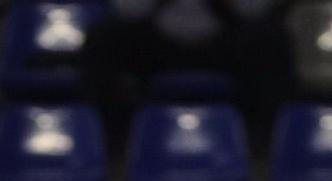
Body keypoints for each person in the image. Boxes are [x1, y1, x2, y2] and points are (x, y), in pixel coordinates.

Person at [86, 0, 283, 133]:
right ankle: (111, 134)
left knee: (268, 37)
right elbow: (126, 9)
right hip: (158, 46)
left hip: (222, 44)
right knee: (103, 37)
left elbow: (257, 9)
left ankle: (266, 135)